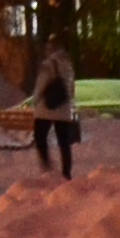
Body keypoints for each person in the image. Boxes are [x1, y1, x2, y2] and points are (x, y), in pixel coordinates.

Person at [29, 38, 80, 178]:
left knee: (40, 136)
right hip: (64, 108)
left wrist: (35, 100)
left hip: (46, 108)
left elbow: (41, 85)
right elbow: (71, 88)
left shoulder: (48, 64)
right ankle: (66, 172)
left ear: (51, 49)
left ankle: (47, 167)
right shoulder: (69, 65)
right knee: (64, 141)